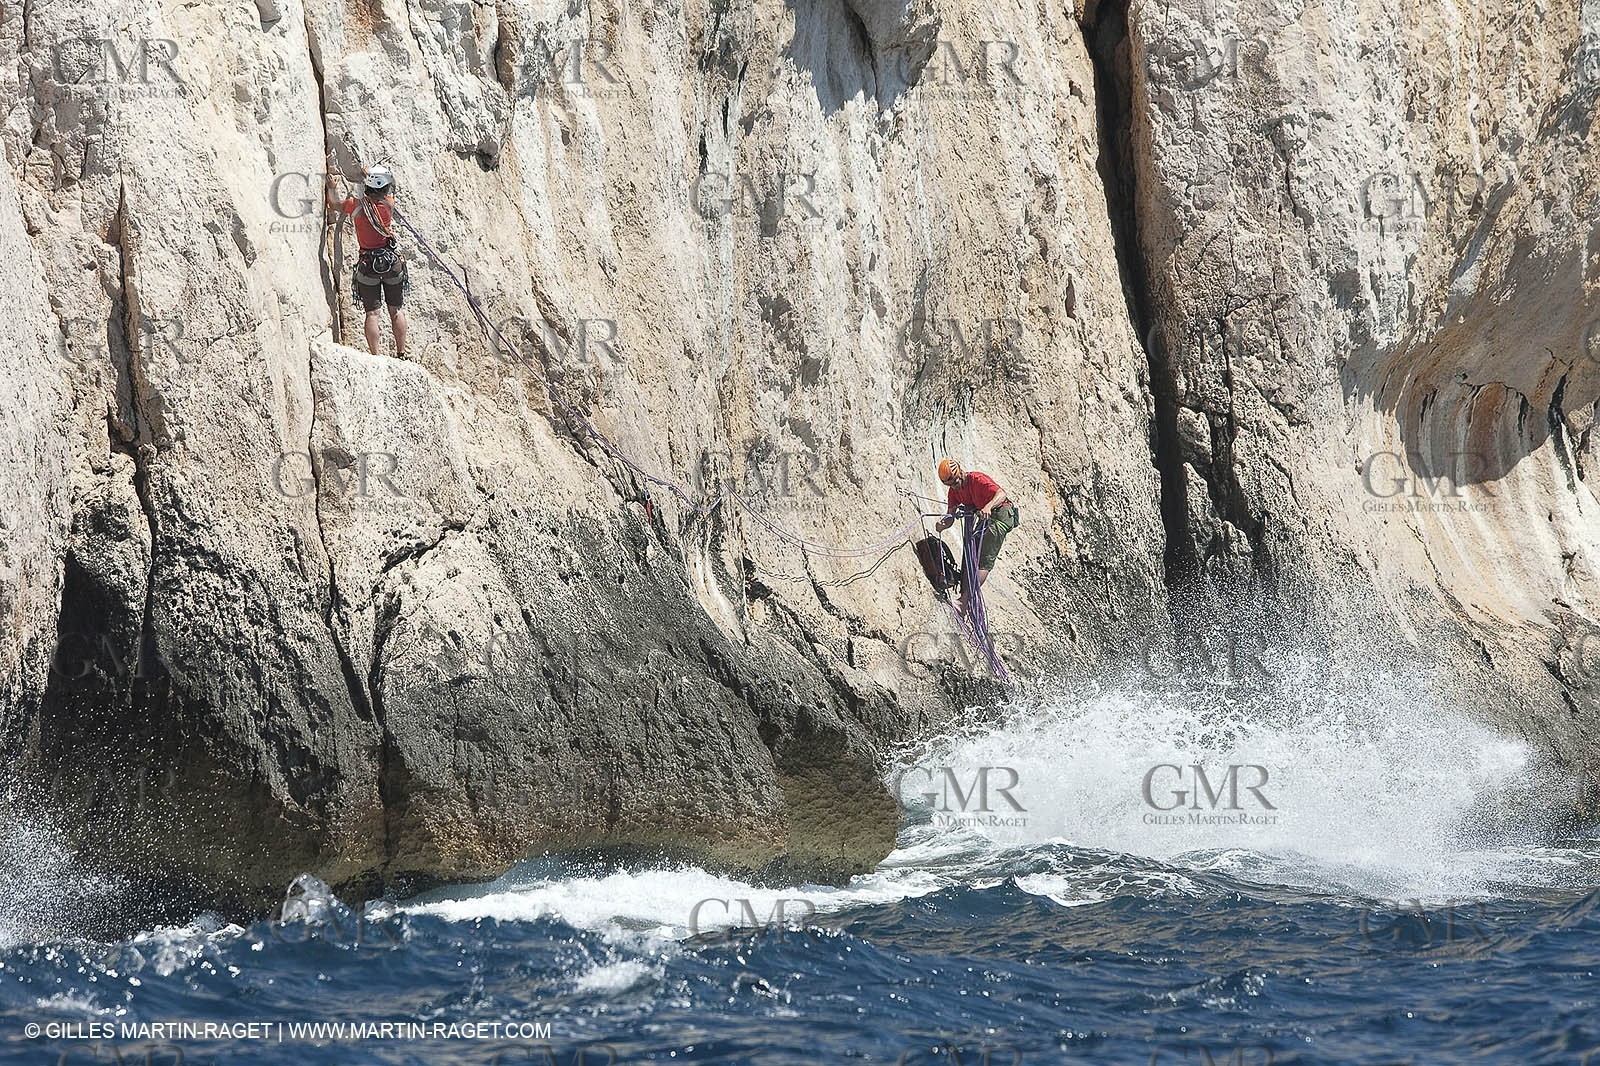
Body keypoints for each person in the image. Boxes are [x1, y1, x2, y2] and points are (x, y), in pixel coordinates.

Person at [327, 165, 409, 359]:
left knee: (372, 314)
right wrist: (368, 177)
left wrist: (331, 186)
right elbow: (380, 193)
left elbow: (333, 204)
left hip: (368, 264)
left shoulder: (355, 206)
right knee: (396, 310)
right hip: (391, 263)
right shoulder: (389, 203)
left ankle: (375, 355)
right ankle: (401, 353)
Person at [935, 459, 1019, 615]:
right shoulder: (954, 492)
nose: (954, 485)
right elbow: (950, 515)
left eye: (955, 480)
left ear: (960, 472)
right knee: (970, 554)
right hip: (986, 518)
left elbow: (1001, 494)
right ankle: (965, 599)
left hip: (1001, 514)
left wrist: (988, 506)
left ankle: (964, 602)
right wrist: (942, 524)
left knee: (982, 561)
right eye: (950, 484)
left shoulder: (977, 479)